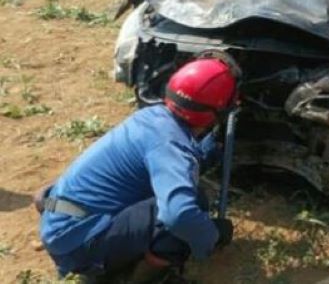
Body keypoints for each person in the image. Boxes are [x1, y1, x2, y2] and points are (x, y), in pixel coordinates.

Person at [36, 57, 240, 282]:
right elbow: (180, 215)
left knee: (172, 197)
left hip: (62, 217)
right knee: (190, 208)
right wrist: (212, 236)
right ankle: (143, 278)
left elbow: (179, 159)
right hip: (76, 245)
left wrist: (214, 143)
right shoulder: (170, 146)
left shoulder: (152, 118)